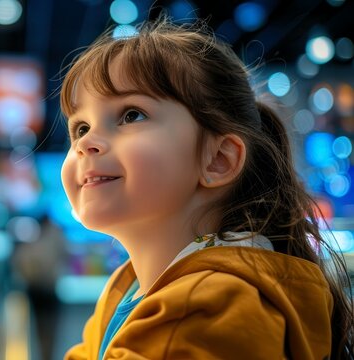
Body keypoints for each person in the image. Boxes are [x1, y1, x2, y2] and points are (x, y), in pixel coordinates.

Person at [59, 15, 353, 360]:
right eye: (79, 127)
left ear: (219, 160)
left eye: (132, 114)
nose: (86, 142)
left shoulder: (204, 306)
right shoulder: (131, 286)